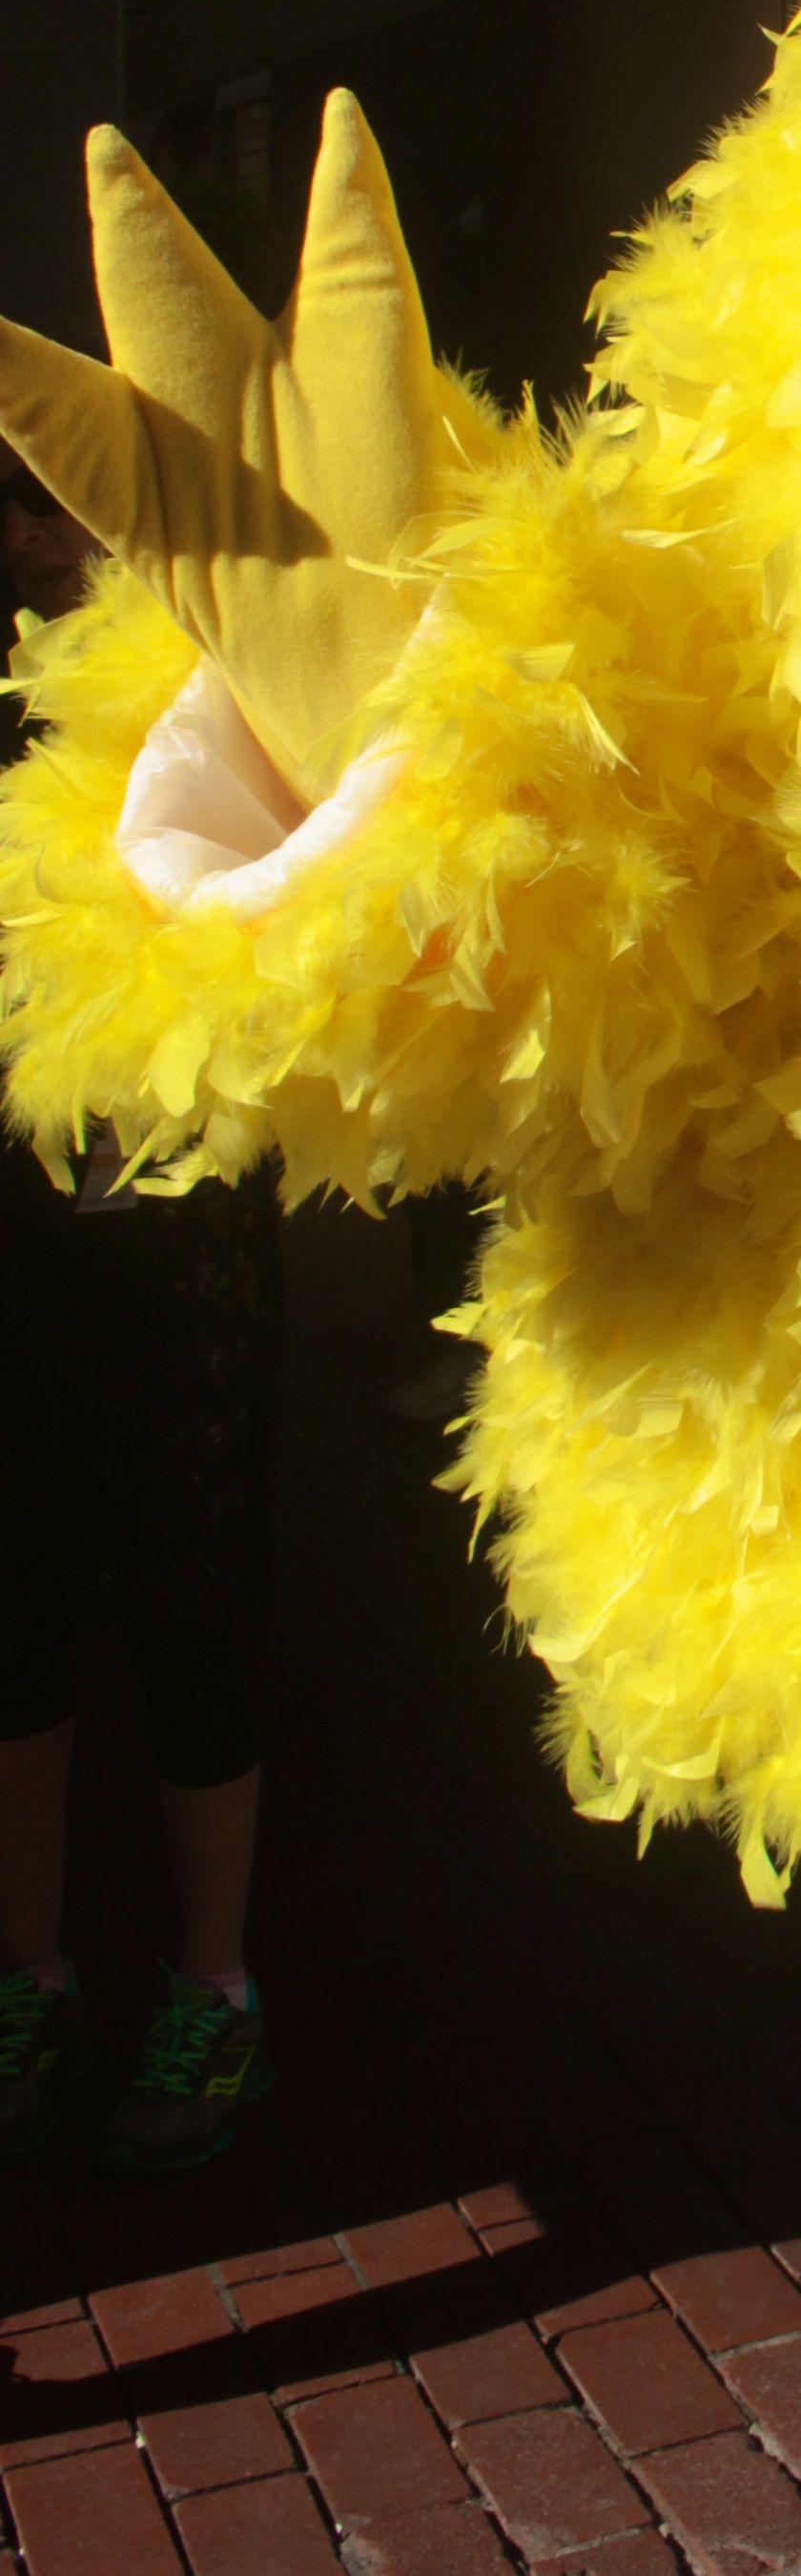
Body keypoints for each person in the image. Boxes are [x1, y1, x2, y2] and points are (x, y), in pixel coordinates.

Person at [0, 459, 279, 2172]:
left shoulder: (219, 667)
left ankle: (214, 1988)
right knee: (9, 1607)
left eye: (58, 509)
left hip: (181, 1221)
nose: (40, 545)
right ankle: (28, 1976)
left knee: (189, 1612)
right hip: (17, 1222)